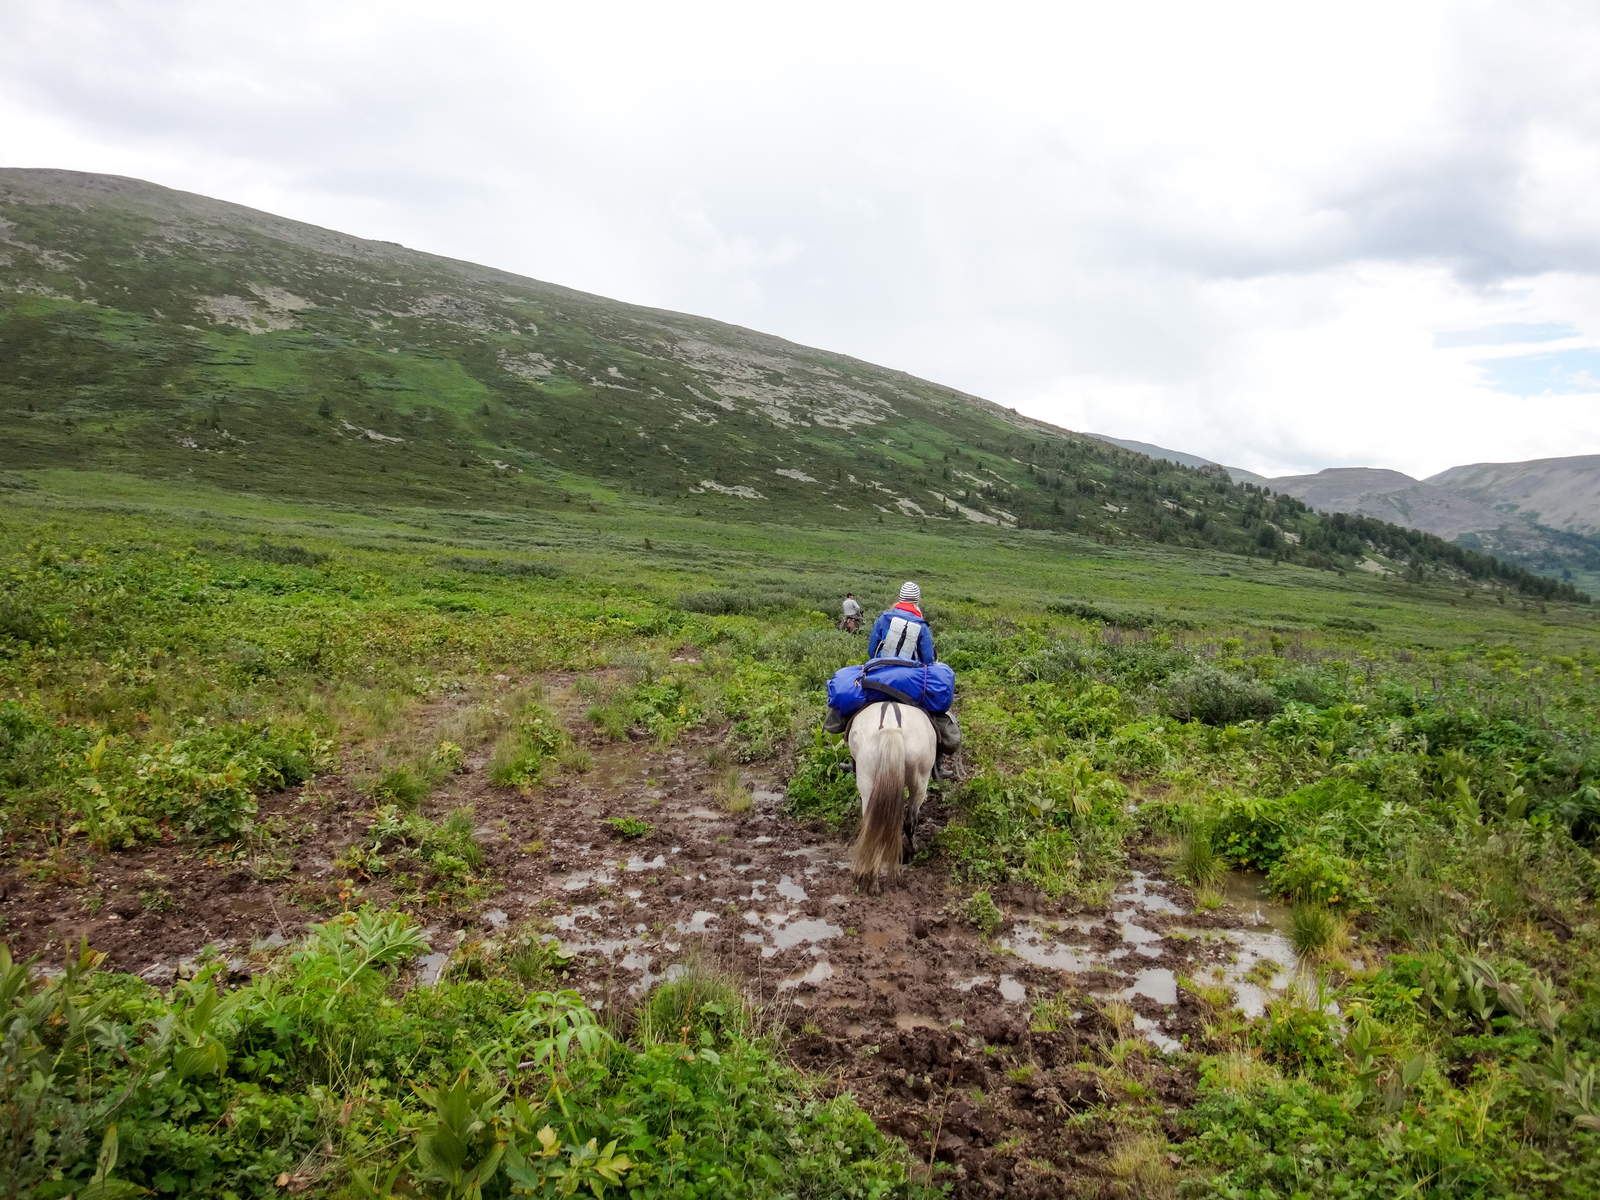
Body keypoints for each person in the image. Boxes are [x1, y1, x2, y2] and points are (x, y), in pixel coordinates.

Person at [825, 581, 962, 779]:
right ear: (916, 600)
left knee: (855, 702)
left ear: (900, 598)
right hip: (911, 682)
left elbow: (872, 650)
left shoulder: (884, 618)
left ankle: (855, 762)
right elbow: (927, 660)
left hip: (880, 675)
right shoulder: (922, 626)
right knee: (935, 712)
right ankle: (937, 766)